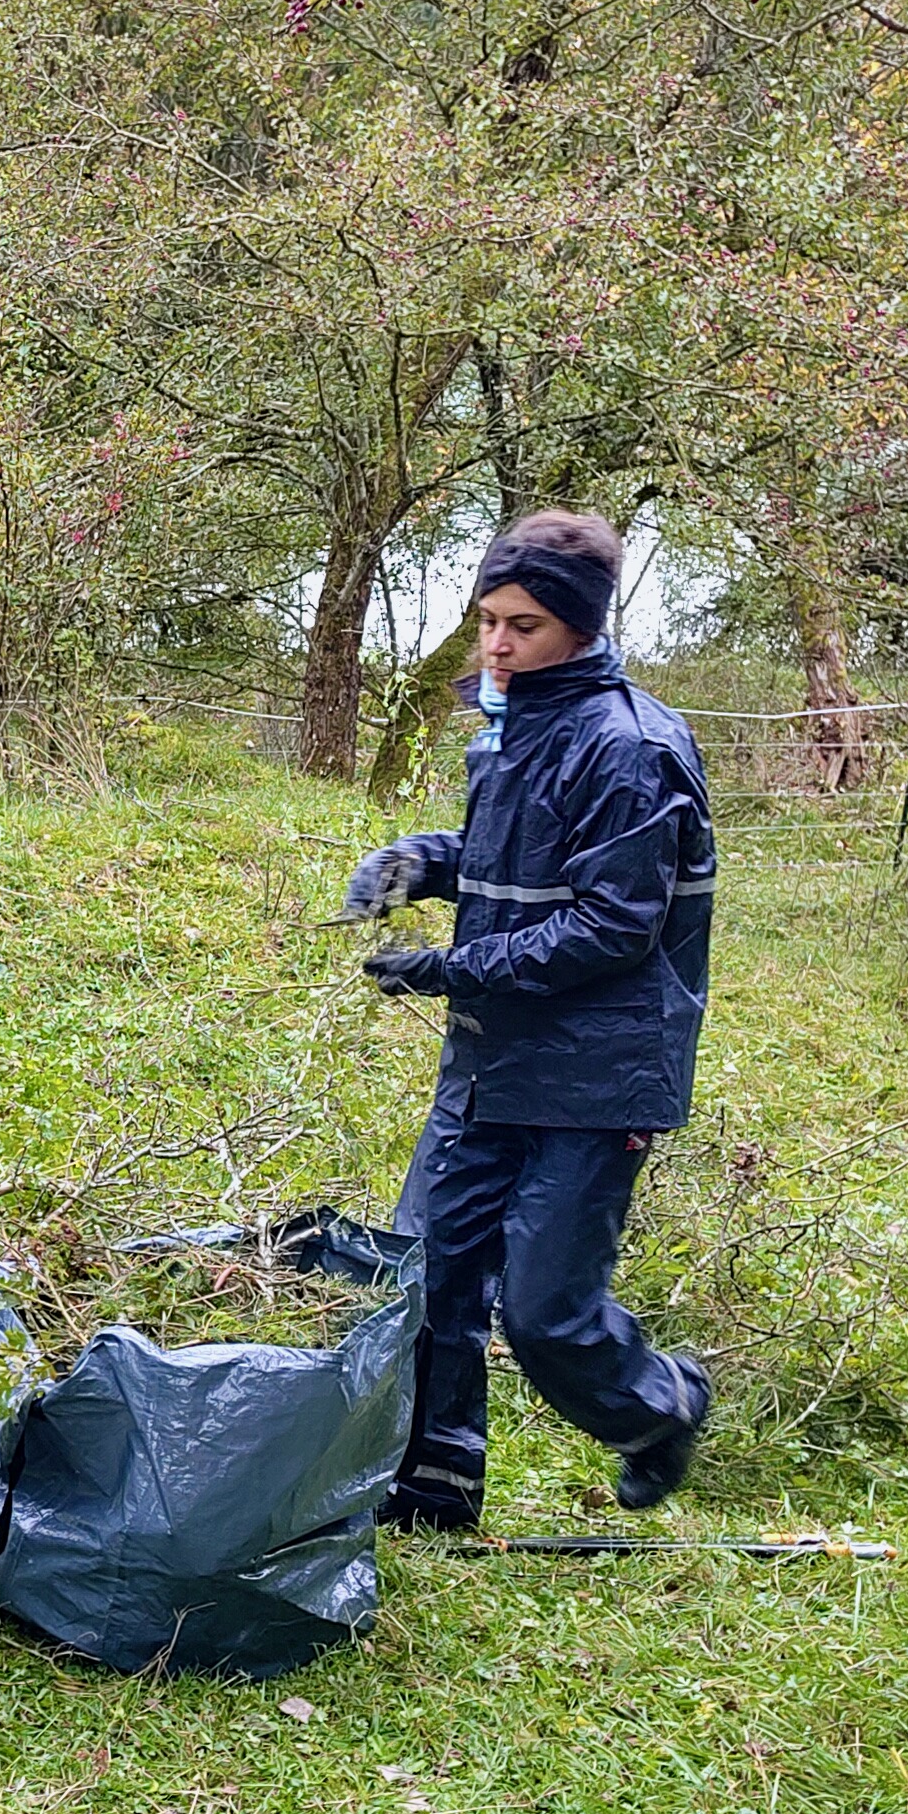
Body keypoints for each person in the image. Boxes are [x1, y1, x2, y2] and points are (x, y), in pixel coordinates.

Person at [342, 509, 717, 1527]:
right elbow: (512, 861)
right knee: (429, 1279)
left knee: (544, 1314)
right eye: (486, 621)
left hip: (596, 1076)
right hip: (489, 1060)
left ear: (582, 628)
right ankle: (428, 1488)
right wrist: (421, 861)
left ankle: (660, 1408)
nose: (496, 647)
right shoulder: (508, 726)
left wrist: (448, 968)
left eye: (524, 627)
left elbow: (612, 927)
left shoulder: (631, 749)